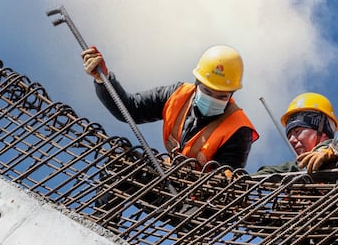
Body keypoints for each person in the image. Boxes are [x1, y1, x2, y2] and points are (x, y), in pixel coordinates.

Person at [81, 44, 258, 170]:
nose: (213, 99)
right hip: (167, 179)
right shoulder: (176, 95)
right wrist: (102, 79)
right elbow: (130, 109)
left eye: (221, 96)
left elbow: (223, 186)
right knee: (118, 166)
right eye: (207, 92)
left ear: (232, 94)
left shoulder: (239, 130)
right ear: (196, 84)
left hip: (201, 206)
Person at [254, 93, 338, 174]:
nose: (291, 140)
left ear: (322, 130)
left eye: (297, 131)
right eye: (289, 136)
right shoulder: (300, 169)